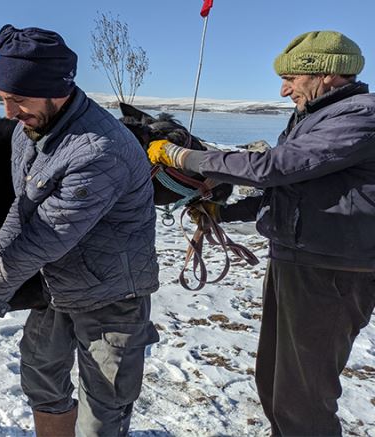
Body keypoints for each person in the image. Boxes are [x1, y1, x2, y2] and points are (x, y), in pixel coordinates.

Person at [148, 30, 375, 436]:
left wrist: (183, 156)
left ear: (326, 75)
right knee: (274, 386)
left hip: (332, 272)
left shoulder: (361, 115)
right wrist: (226, 211)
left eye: (291, 77)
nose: (284, 89)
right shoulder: (314, 117)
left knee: (304, 400)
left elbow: (272, 167)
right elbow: (286, 187)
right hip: (296, 259)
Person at [0, 25, 160, 437]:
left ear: (55, 90)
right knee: (41, 377)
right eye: (4, 99)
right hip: (57, 284)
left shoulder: (99, 148)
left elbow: (44, 237)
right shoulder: (29, 132)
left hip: (111, 293)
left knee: (104, 406)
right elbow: (22, 214)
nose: (8, 112)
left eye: (18, 100)